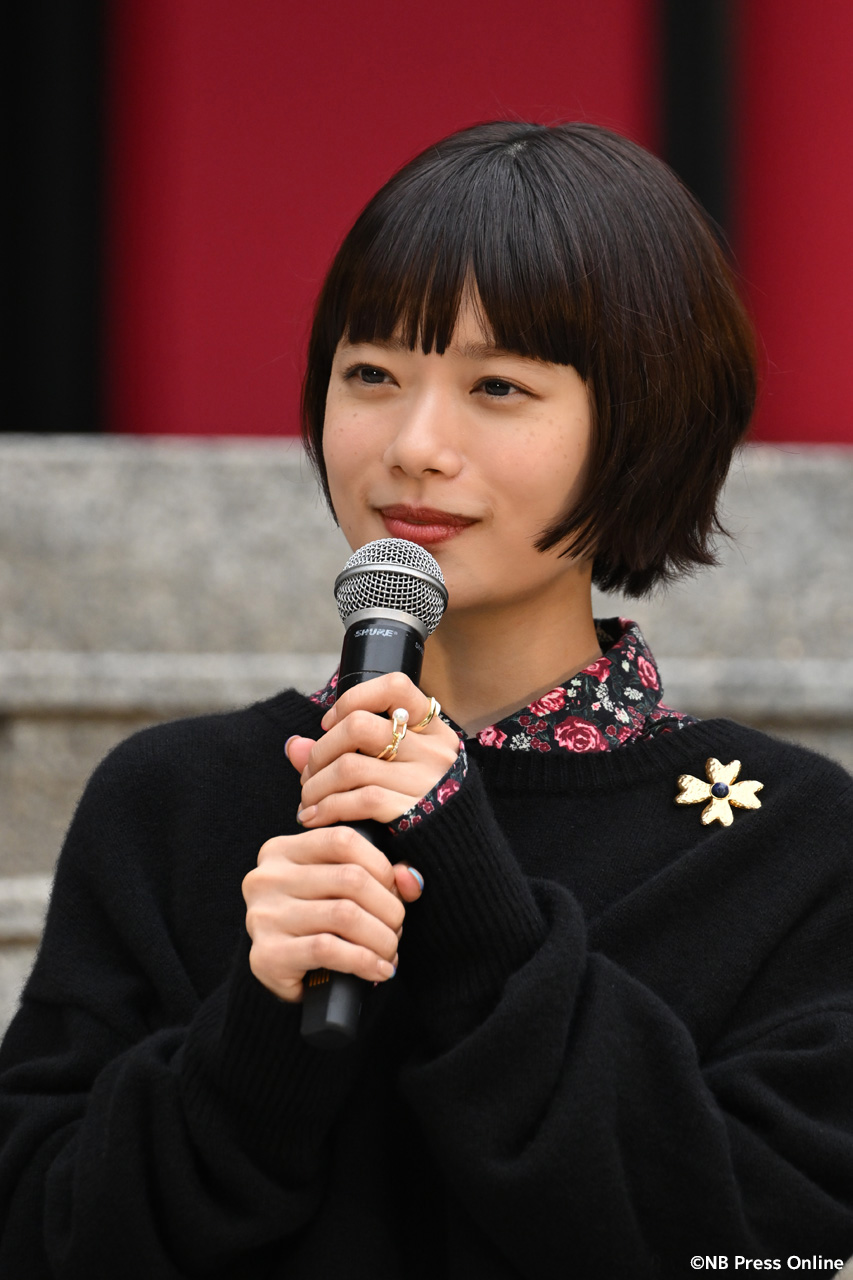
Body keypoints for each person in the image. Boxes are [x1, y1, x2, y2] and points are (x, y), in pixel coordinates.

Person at [1, 120, 852, 1278]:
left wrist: (480, 913)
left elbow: (772, 1247)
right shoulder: (173, 799)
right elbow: (42, 1232)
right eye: (372, 374)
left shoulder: (788, 842)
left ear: (646, 422)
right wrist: (257, 1033)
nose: (413, 444)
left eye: (497, 386)